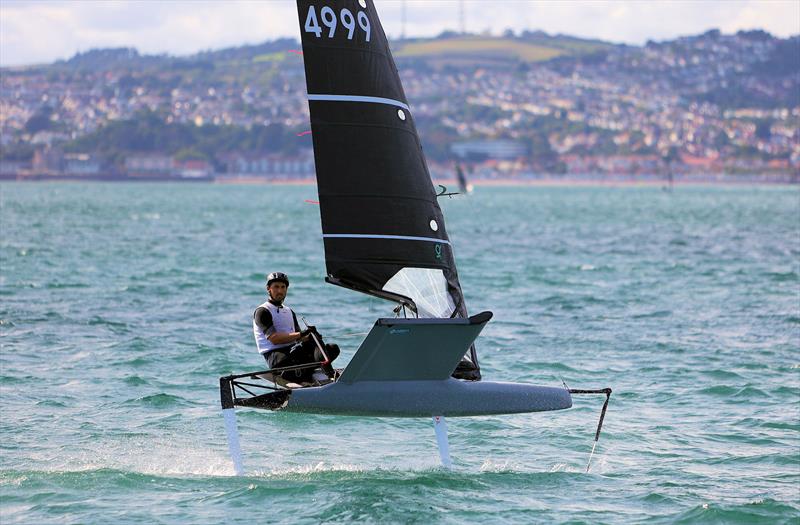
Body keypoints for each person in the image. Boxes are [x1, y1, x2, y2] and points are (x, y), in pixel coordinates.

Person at [253, 272, 339, 385]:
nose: (280, 291)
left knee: (331, 348)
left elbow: (299, 339)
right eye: (276, 287)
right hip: (277, 357)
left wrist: (310, 335)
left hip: (292, 352)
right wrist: (301, 334)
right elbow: (274, 338)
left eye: (283, 287)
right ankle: (317, 375)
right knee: (299, 351)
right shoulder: (263, 311)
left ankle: (324, 374)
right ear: (268, 288)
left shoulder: (289, 311)